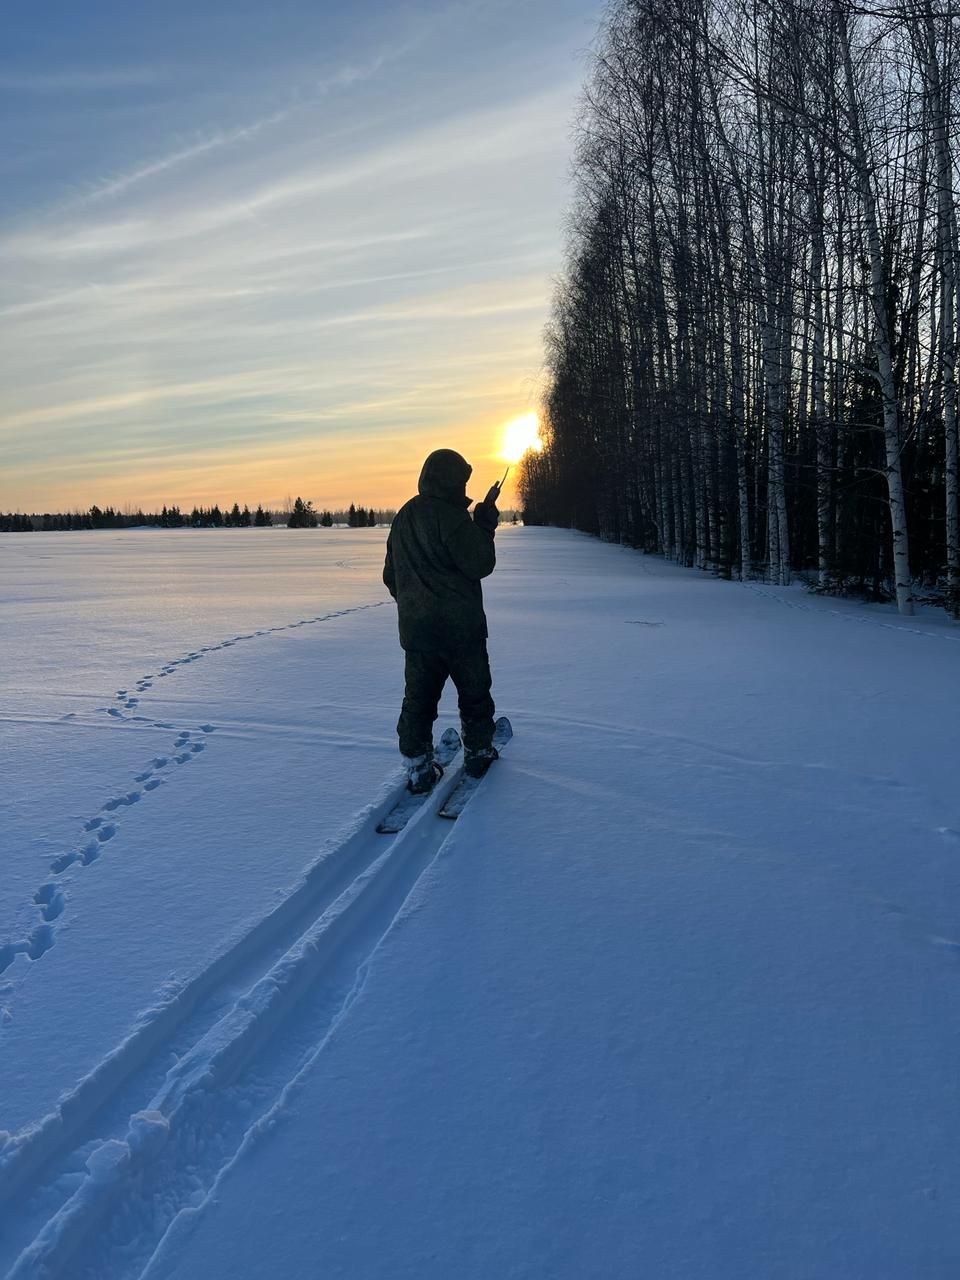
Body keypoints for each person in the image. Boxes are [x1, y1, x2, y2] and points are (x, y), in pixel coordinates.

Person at [383, 448, 501, 793]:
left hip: (418, 634)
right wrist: (484, 525)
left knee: (418, 701)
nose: (465, 485)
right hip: (461, 631)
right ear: (450, 480)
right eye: (462, 479)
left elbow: (391, 576)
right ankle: (478, 752)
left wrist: (414, 606)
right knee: (475, 694)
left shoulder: (404, 516)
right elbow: (480, 564)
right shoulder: (452, 518)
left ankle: (417, 766)